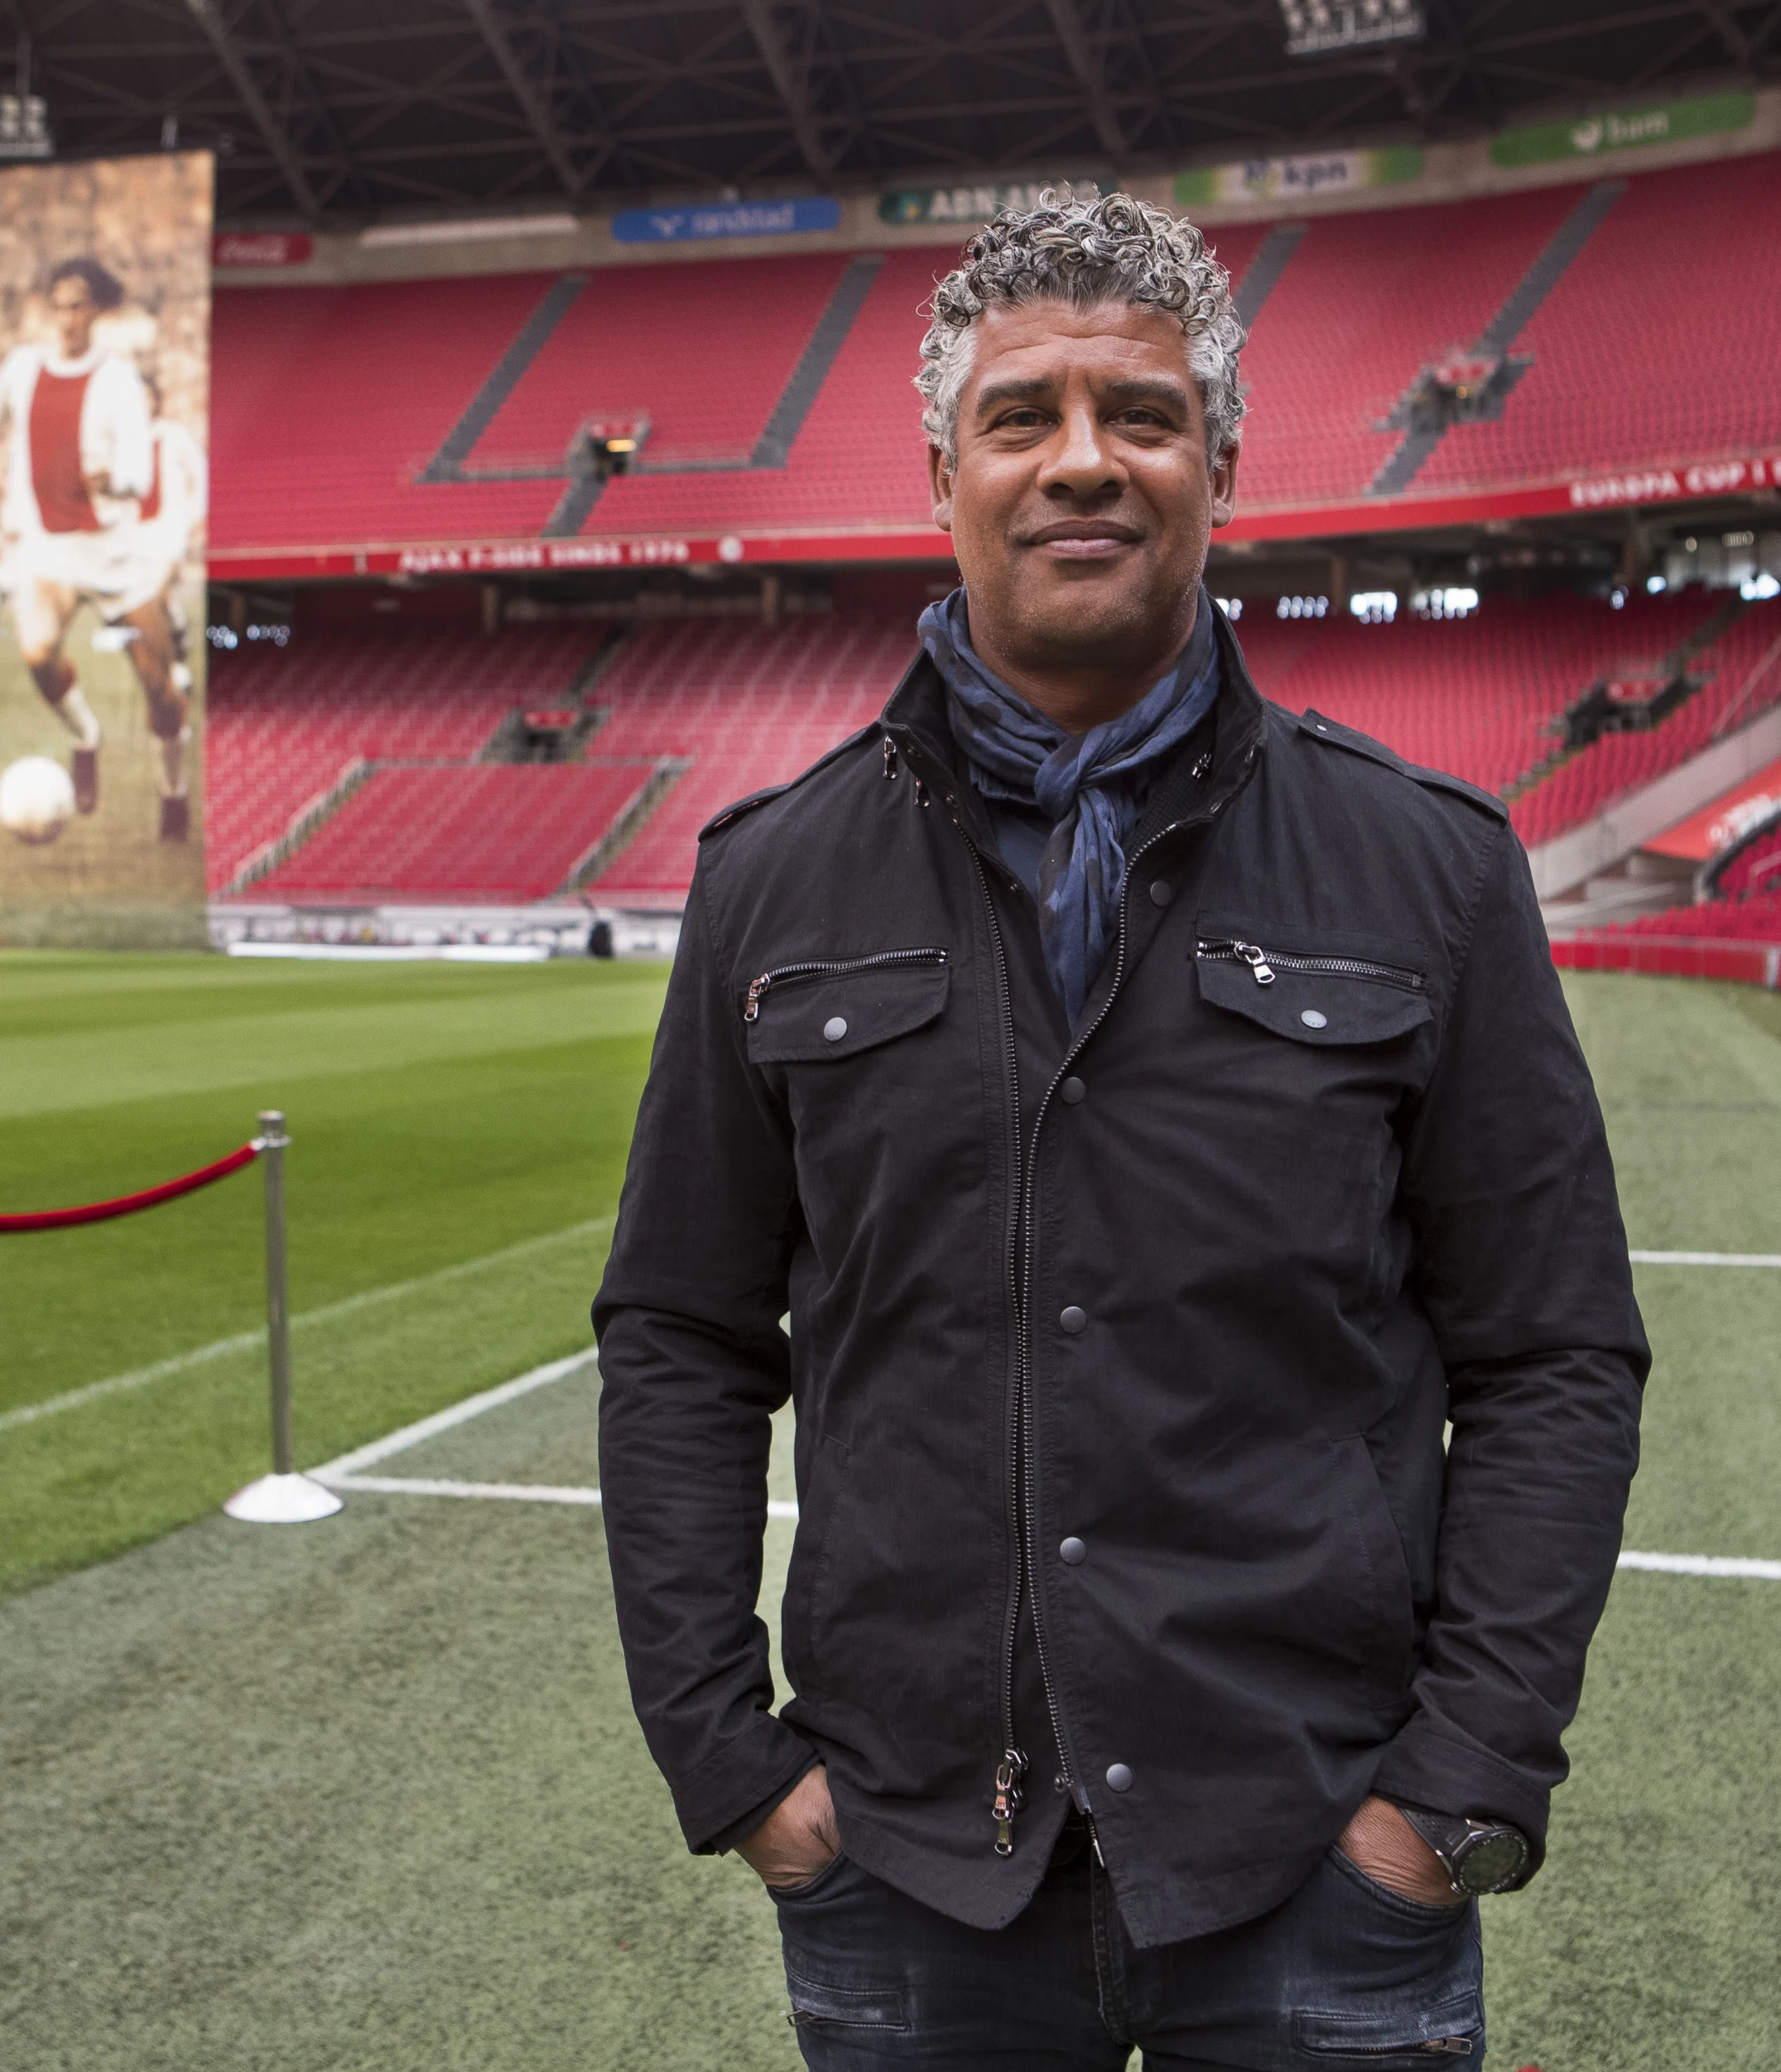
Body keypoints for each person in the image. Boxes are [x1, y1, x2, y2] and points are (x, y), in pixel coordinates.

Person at [594, 194, 1649, 2070]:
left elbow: (1550, 1348)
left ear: (1216, 461)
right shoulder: (768, 880)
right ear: (945, 472)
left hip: (1316, 1861)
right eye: (1023, 415)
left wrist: (1454, 1790)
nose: (1081, 458)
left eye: (1138, 413)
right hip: (915, 1864)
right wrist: (732, 1762)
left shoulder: (1426, 867)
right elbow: (678, 1334)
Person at [0, 256, 198, 843]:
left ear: (99, 310)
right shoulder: (22, 368)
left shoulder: (118, 378)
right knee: (36, 652)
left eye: (78, 304)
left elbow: (137, 464)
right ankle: (86, 738)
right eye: (58, 304)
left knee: (161, 694)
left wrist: (116, 481)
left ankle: (173, 794)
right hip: (49, 552)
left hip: (116, 554)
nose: (66, 317)